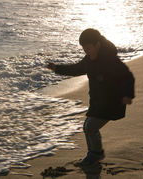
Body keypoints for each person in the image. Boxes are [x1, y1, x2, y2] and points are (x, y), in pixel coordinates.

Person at [47, 28, 135, 166]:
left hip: (112, 102)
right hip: (98, 101)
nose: (86, 52)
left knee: (90, 127)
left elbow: (127, 76)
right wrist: (57, 68)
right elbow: (76, 69)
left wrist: (127, 95)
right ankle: (94, 154)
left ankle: (95, 154)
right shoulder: (89, 59)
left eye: (88, 48)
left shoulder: (110, 60)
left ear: (97, 45)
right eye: (84, 49)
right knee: (87, 126)